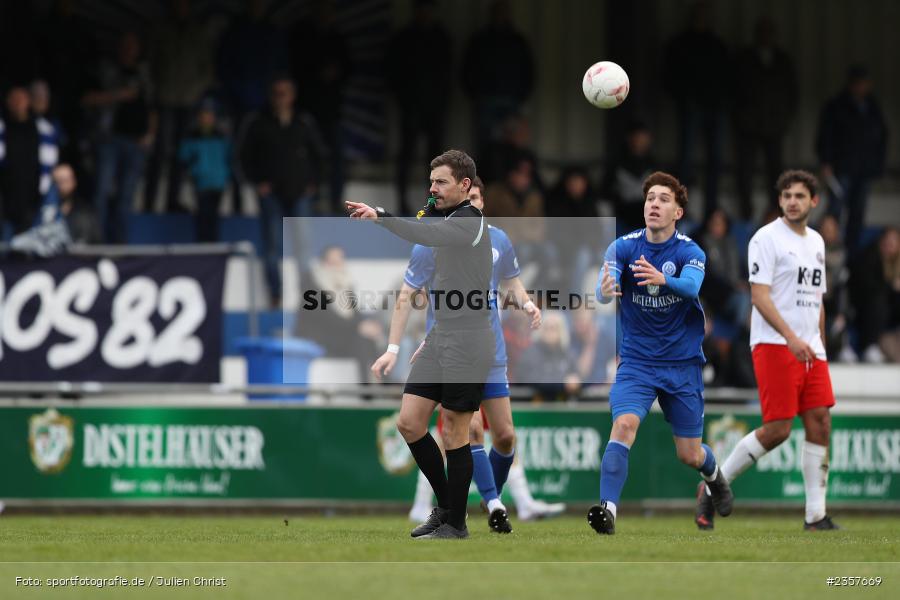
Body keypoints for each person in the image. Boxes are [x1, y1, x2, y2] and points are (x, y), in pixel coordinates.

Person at [373, 176, 560, 529]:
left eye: (475, 199)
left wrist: (527, 304)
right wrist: (395, 347)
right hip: (451, 350)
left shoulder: (498, 239)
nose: (469, 206)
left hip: (491, 350)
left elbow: (511, 281)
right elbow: (408, 294)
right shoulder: (433, 243)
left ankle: (481, 501)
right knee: (465, 428)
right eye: (465, 199)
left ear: (482, 202)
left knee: (505, 436)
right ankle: (483, 506)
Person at [347, 149, 494, 539]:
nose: (433, 189)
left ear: (465, 185)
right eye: (431, 182)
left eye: (441, 181)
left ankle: (456, 525)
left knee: (455, 432)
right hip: (441, 334)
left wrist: (381, 216)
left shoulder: (471, 220)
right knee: (409, 422)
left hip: (469, 339)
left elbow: (426, 232)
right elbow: (426, 222)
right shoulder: (444, 216)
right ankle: (446, 508)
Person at [696, 170, 838, 531]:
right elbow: (758, 297)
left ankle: (815, 516)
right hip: (775, 344)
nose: (792, 201)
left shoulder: (817, 242)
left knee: (820, 421)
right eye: (787, 195)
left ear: (813, 201)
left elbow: (817, 299)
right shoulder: (765, 238)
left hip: (811, 348)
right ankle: (712, 488)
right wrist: (790, 337)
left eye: (800, 196)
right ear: (779, 201)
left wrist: (820, 346)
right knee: (778, 429)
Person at [591, 171, 731, 535]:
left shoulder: (690, 251)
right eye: (650, 198)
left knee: (689, 454)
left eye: (663, 199)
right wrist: (604, 289)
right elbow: (604, 290)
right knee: (623, 425)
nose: (654, 204)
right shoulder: (623, 246)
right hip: (637, 361)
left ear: (678, 212)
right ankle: (607, 511)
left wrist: (662, 278)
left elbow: (692, 287)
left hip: (681, 364)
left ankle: (714, 477)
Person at [240, 75, 323, 306]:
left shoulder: (304, 121)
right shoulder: (258, 122)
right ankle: (275, 294)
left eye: (285, 93)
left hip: (300, 193)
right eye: (277, 93)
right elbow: (243, 156)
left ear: (293, 96)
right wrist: (257, 182)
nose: (280, 98)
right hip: (271, 195)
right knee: (272, 246)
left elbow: (319, 154)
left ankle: (306, 296)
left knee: (304, 245)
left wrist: (313, 183)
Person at [82, 31, 157, 242]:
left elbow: (152, 107)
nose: (129, 49)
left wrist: (150, 134)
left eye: (133, 45)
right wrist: (119, 94)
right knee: (102, 191)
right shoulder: (106, 70)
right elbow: (86, 98)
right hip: (109, 139)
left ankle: (119, 244)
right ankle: (97, 241)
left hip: (136, 142)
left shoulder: (144, 73)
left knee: (127, 195)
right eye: (126, 44)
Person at [385, 0, 452, 216]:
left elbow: (447, 73)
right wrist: (404, 99)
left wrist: (441, 101)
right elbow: (392, 71)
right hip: (410, 106)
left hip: (434, 108)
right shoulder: (404, 38)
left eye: (428, 10)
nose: (425, 14)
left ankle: (433, 204)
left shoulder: (440, 37)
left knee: (435, 163)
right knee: (406, 157)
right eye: (422, 10)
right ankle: (402, 200)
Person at [816, 65, 888, 256]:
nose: (861, 87)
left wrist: (878, 166)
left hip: (864, 170)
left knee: (858, 213)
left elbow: (881, 137)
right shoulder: (836, 106)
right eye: (858, 83)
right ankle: (825, 250)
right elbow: (825, 136)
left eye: (865, 83)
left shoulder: (873, 107)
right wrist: (826, 161)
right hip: (841, 168)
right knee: (835, 211)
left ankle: (850, 255)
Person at [732, 16, 797, 221]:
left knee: (776, 172)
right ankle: (746, 212)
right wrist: (741, 116)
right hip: (748, 124)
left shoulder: (782, 60)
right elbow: (733, 91)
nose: (766, 37)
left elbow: (792, 92)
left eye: (769, 33)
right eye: (762, 32)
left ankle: (775, 211)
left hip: (773, 125)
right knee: (745, 170)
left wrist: (784, 118)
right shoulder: (745, 58)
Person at [0, 86, 59, 234]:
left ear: (28, 101)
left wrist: (44, 191)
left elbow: (50, 165)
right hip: (5, 199)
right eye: (14, 99)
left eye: (21, 99)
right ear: (8, 102)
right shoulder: (3, 127)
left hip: (34, 200)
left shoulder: (44, 130)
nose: (18, 103)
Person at [178, 98, 231, 242]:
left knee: (214, 216)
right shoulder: (191, 135)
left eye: (209, 114)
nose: (206, 118)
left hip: (218, 182)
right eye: (203, 114)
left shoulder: (222, 136)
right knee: (203, 215)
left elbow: (229, 157)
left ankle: (213, 245)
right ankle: (203, 246)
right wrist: (193, 171)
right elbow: (183, 157)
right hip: (200, 182)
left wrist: (226, 176)